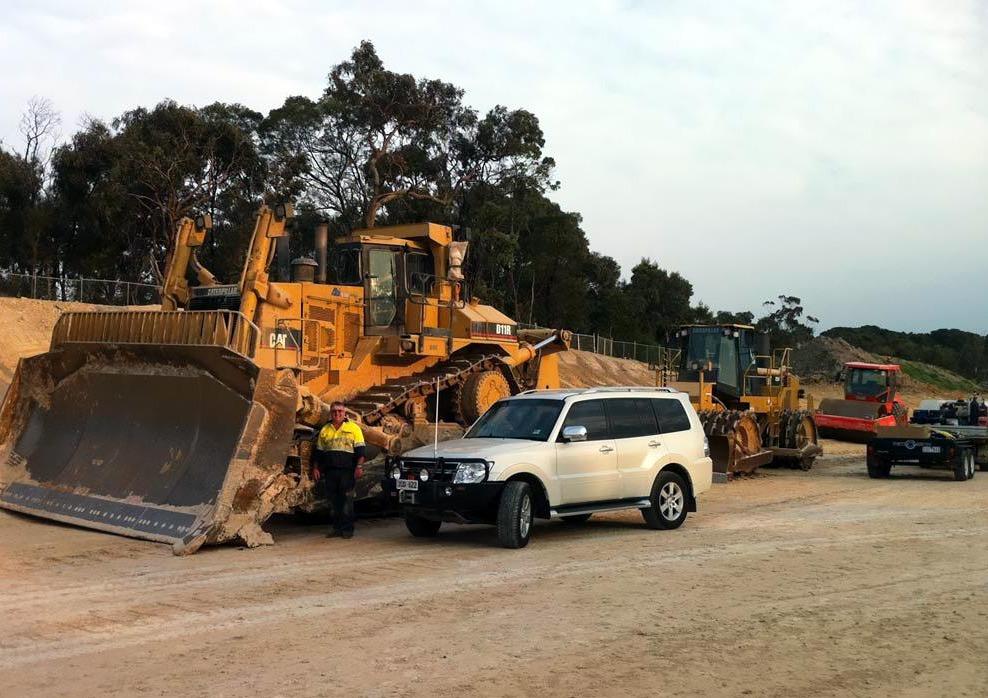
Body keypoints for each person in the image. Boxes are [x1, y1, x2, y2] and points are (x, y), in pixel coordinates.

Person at [311, 401, 366, 539]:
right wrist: (316, 468)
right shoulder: (325, 429)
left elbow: (361, 451)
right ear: (331, 413)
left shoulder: (354, 428)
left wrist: (359, 467)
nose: (337, 414)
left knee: (346, 500)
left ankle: (347, 530)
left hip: (347, 471)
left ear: (345, 413)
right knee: (334, 502)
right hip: (330, 471)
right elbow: (319, 451)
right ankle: (336, 528)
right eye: (334, 411)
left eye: (340, 411)